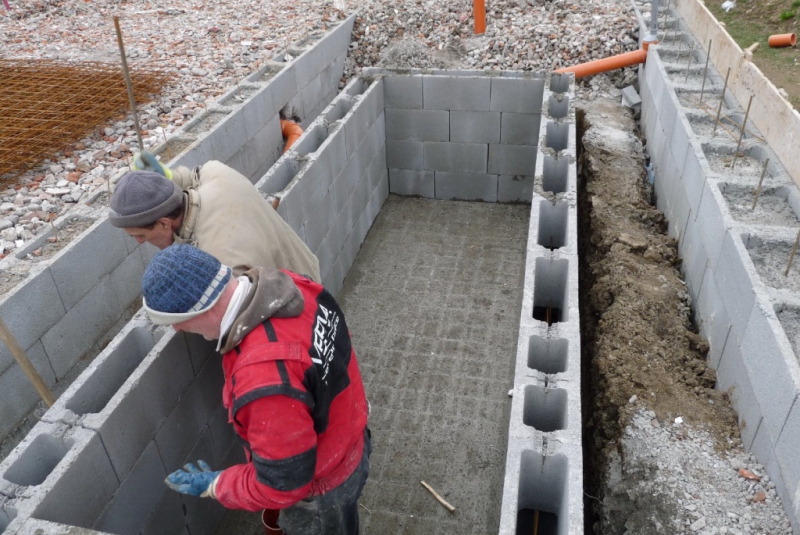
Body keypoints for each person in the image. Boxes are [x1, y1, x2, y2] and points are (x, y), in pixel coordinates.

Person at [141, 244, 370, 535]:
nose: (176, 331)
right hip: (351, 443)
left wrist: (218, 485)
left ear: (199, 309)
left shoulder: (264, 378)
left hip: (323, 491)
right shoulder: (289, 285)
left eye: (176, 322)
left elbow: (284, 485)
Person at [108, 152, 320, 280]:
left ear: (164, 223)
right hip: (306, 267)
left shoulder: (220, 262)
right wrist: (164, 182)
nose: (138, 242)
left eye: (140, 235)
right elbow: (194, 176)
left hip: (301, 305)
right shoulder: (217, 172)